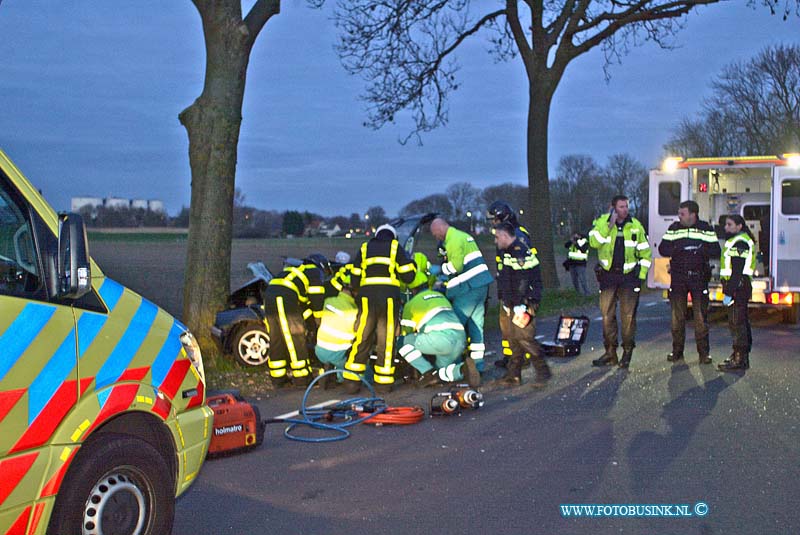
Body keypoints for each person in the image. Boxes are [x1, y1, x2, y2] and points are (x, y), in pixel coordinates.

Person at [343, 224, 417, 393]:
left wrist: (357, 290)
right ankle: (383, 383)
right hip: (388, 297)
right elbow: (409, 275)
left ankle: (351, 382)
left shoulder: (364, 247)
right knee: (387, 338)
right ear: (393, 236)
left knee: (363, 335)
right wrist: (410, 263)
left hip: (367, 296)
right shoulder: (395, 247)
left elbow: (354, 276)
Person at [589, 195, 652, 369]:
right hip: (608, 276)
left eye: (626, 206)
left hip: (629, 278)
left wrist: (641, 276)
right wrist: (609, 225)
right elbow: (594, 242)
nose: (625, 209)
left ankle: (627, 352)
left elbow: (646, 254)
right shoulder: (601, 223)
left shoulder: (635, 226)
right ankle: (610, 352)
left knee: (628, 318)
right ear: (613, 208)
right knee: (607, 316)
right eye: (621, 207)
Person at [397, 253, 476, 387]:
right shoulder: (439, 296)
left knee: (403, 343)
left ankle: (427, 372)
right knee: (441, 373)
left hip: (441, 341)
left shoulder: (412, 304)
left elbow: (406, 333)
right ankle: (463, 370)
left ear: (412, 289)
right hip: (460, 340)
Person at [658, 200, 721, 364]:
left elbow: (716, 250)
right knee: (677, 317)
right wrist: (679, 249)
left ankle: (704, 354)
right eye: (679, 214)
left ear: (693, 215)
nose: (679, 216)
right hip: (678, 278)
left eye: (682, 214)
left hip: (699, 277)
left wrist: (699, 250)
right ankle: (677, 352)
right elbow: (662, 249)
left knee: (701, 317)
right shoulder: (674, 228)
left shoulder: (705, 228)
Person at [429, 218, 493, 377]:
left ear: (440, 229)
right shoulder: (463, 236)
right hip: (481, 286)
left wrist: (438, 270)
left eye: (435, 234)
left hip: (468, 290)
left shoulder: (453, 240)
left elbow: (455, 266)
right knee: (476, 327)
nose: (435, 237)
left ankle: (454, 368)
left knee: (455, 327)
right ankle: (479, 366)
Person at [493, 222, 550, 387]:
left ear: (504, 236)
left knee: (525, 338)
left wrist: (520, 306)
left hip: (525, 302)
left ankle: (543, 372)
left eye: (497, 237)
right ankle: (514, 375)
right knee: (513, 339)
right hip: (514, 303)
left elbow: (522, 283)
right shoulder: (508, 251)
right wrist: (506, 301)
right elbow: (507, 280)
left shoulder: (519, 252)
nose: (496, 241)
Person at [263, 254, 333, 387]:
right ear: (322, 266)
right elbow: (316, 300)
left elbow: (304, 305)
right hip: (284, 296)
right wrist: (319, 321)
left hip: (270, 295)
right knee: (295, 336)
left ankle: (278, 379)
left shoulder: (299, 270)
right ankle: (302, 378)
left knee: (277, 337)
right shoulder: (314, 272)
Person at [486, 200, 533, 368]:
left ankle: (523, 357)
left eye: (495, 220)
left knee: (519, 326)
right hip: (506, 288)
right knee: (505, 325)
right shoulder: (504, 234)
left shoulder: (518, 235)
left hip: (518, 291)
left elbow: (523, 271)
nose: (493, 224)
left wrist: (520, 297)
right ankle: (510, 356)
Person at [717, 214, 755, 372]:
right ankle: (740, 357)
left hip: (738, 287)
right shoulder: (738, 240)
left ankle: (739, 359)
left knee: (737, 323)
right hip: (740, 286)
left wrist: (729, 292)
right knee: (740, 322)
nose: (726, 228)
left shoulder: (740, 242)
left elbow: (737, 271)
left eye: (729, 225)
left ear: (739, 226)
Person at [315, 266, 358, 383]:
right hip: (338, 354)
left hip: (319, 350)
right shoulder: (354, 311)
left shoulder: (328, 301)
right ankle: (341, 377)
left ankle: (327, 371)